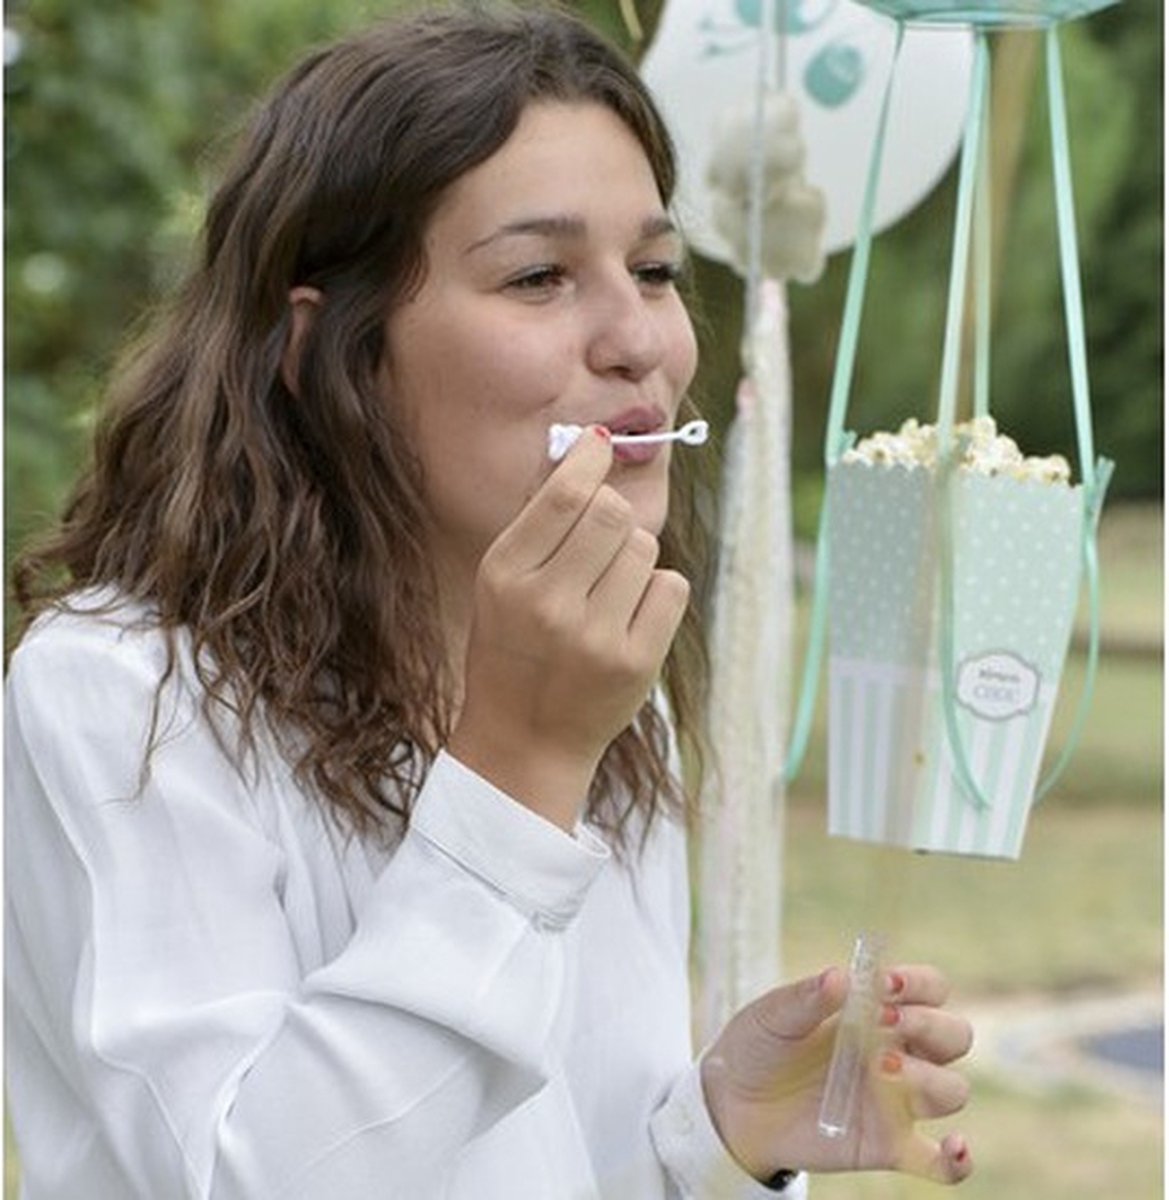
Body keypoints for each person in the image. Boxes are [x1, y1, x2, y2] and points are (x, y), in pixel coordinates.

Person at [4, 5, 975, 1197]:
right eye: (537, 276)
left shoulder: (613, 702)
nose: (639, 342)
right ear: (324, 349)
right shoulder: (121, 693)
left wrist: (711, 1141)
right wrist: (515, 775)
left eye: (656, 270)